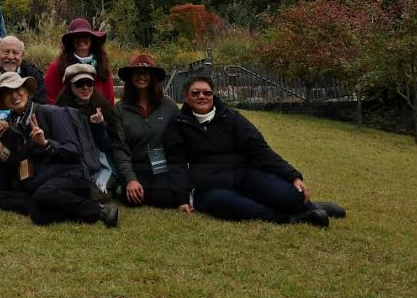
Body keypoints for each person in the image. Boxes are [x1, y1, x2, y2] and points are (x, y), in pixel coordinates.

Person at [163, 75, 346, 226]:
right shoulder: (178, 125)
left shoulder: (232, 117)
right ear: (186, 98)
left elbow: (260, 149)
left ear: (213, 96)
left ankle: (310, 206)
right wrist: (182, 199)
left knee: (292, 196)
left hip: (244, 174)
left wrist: (293, 176)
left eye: (207, 93)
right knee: (227, 204)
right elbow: (176, 163)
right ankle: (291, 218)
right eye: (195, 93)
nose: (201, 96)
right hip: (210, 185)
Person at [0, 72, 118, 227]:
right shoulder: (14, 125)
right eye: (7, 93)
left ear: (27, 92)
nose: (14, 95)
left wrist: (46, 143)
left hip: (71, 177)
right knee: (3, 198)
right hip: (41, 181)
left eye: (18, 90)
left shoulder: (52, 112)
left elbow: (73, 152)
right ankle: (46, 207)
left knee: (42, 197)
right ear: (3, 102)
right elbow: (23, 164)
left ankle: (100, 211)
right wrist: (3, 149)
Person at [114, 54, 183, 208]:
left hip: (162, 168)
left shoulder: (169, 106)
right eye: (137, 73)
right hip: (136, 169)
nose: (142, 77)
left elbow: (180, 142)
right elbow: (120, 149)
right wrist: (130, 179)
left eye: (146, 73)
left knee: (166, 198)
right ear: (131, 77)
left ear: (153, 77)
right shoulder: (119, 109)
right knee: (133, 199)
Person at [55, 63, 137, 192]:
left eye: (89, 83)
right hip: (73, 162)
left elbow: (110, 146)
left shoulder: (104, 107)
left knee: (98, 192)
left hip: (102, 162)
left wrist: (99, 127)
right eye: (79, 83)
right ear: (70, 86)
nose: (85, 87)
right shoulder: (60, 111)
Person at [0, 35, 46, 132]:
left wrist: (10, 122)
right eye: (6, 52)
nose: (10, 57)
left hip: (23, 129)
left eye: (15, 53)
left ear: (22, 56)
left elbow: (38, 105)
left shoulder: (33, 75)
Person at [44, 17, 116, 105]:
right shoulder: (56, 67)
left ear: (91, 39)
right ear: (71, 41)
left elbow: (109, 101)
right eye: (77, 36)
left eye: (85, 36)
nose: (81, 39)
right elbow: (49, 100)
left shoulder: (102, 67)